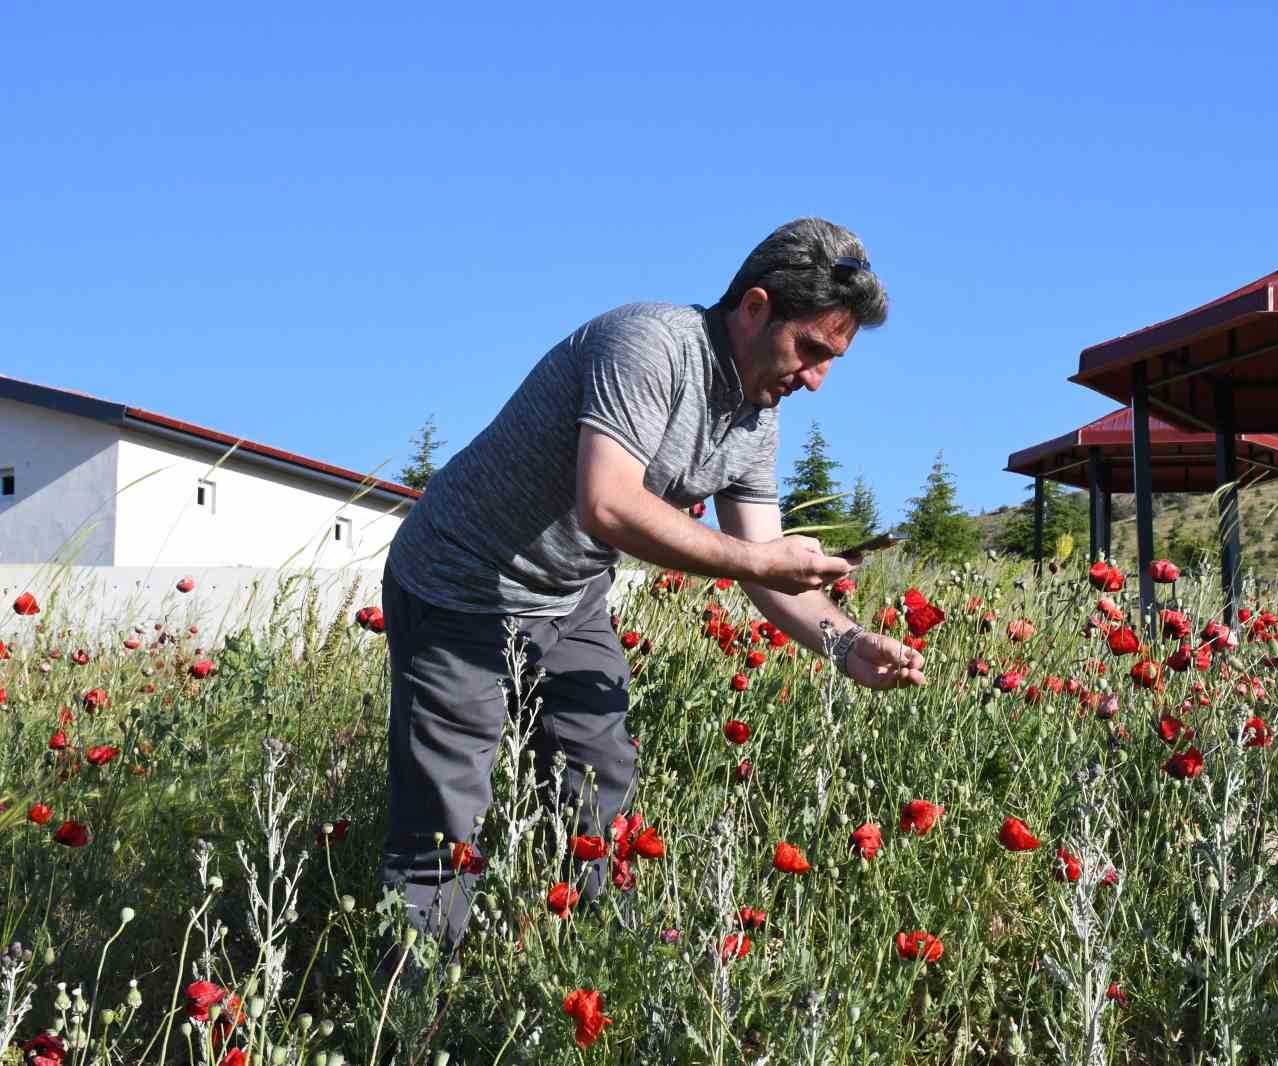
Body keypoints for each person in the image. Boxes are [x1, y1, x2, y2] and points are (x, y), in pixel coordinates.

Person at [379, 218, 927, 947]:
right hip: (457, 585)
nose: (817, 378)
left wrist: (847, 643)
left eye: (834, 360)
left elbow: (767, 562)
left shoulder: (754, 419)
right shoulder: (649, 344)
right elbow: (608, 503)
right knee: (445, 821)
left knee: (598, 790)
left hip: (568, 598)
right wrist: (759, 563)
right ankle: (409, 1013)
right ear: (756, 306)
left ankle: (586, 974)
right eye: (813, 349)